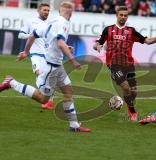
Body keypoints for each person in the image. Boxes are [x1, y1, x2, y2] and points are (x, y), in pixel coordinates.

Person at [0, 1, 91, 132]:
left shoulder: (51, 22)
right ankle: (12, 83)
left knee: (68, 92)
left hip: (57, 66)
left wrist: (26, 52)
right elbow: (60, 43)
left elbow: (33, 35)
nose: (71, 15)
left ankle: (74, 125)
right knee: (43, 98)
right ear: (68, 12)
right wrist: (72, 60)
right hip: (50, 68)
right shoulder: (64, 23)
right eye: (71, 12)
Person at [93, 6, 156, 121]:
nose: (123, 17)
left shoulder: (131, 31)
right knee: (126, 87)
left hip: (128, 65)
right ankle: (132, 111)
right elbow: (97, 43)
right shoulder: (108, 30)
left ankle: (127, 105)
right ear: (117, 15)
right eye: (121, 15)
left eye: (125, 15)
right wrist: (98, 46)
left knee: (134, 91)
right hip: (114, 64)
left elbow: (147, 41)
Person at [18, 3, 54, 109]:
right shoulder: (31, 21)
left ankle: (49, 101)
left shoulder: (51, 24)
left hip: (48, 55)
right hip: (35, 54)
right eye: (44, 10)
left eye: (48, 10)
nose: (46, 12)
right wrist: (32, 35)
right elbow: (20, 35)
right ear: (38, 11)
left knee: (48, 78)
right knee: (39, 73)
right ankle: (46, 99)